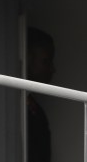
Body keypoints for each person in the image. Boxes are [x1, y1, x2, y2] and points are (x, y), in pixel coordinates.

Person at [26, 27, 55, 162]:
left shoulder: (36, 111)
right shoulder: (7, 109)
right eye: (46, 61)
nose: (53, 69)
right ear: (27, 58)